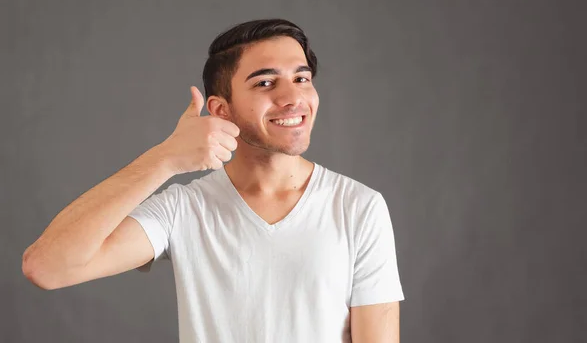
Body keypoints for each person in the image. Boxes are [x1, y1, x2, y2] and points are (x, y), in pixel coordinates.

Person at [22, 19, 405, 342]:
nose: (293, 98)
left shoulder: (358, 206)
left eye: (302, 78)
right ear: (221, 110)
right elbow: (47, 268)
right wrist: (164, 159)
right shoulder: (182, 210)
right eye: (265, 84)